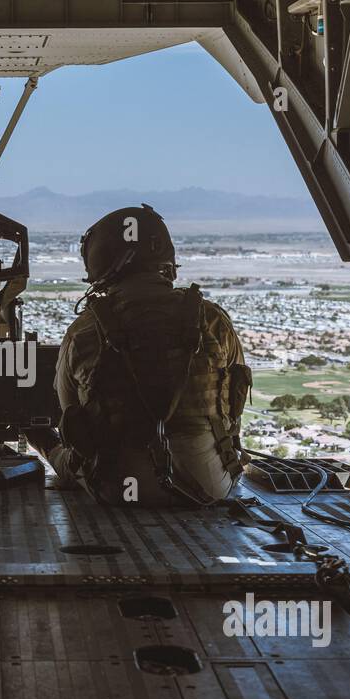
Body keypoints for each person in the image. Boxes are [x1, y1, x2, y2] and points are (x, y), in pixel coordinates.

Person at [28, 205, 252, 507]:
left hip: (120, 488)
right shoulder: (211, 320)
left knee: (65, 457)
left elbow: (73, 424)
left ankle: (38, 441)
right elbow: (234, 404)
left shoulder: (83, 332)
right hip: (208, 485)